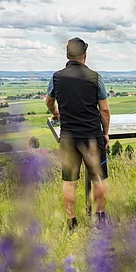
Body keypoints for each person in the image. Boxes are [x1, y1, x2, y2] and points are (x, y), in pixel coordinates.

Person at [45, 37, 111, 231]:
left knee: (69, 182)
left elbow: (48, 101)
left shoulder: (56, 77)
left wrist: (55, 113)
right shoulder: (95, 77)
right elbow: (104, 111)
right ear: (85, 55)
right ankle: (100, 219)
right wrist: (105, 133)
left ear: (67, 55)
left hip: (68, 138)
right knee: (99, 180)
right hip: (92, 135)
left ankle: (71, 223)